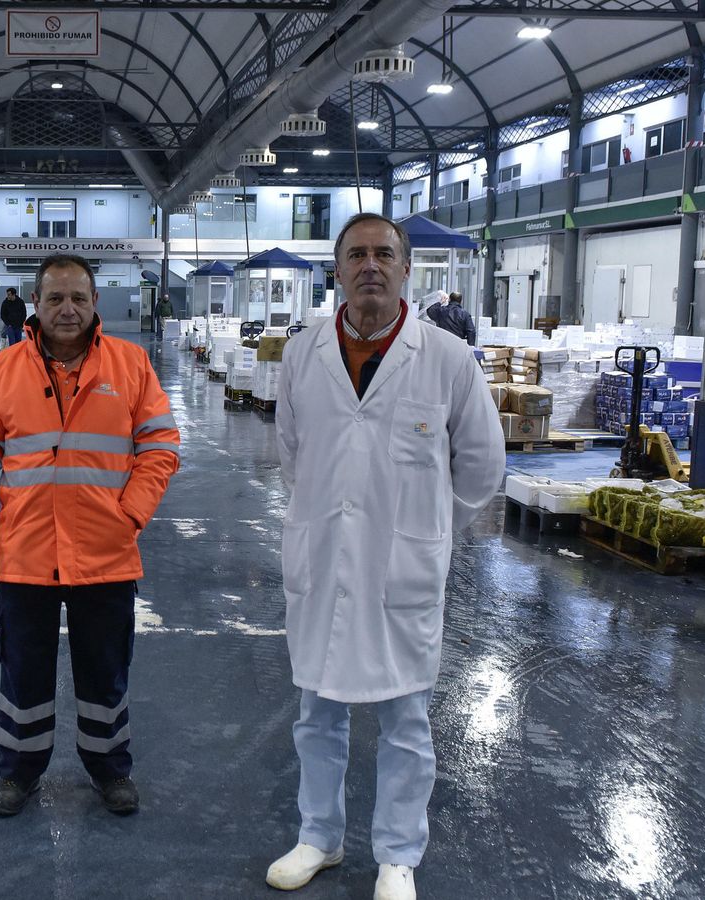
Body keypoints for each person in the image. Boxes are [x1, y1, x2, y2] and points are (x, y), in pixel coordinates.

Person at [267, 214, 504, 900]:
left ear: (405, 269)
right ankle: (319, 837)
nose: (370, 265)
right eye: (356, 255)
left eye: (383, 254)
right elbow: (292, 455)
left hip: (403, 570)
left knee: (405, 721)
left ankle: (398, 855)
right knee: (317, 714)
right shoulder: (303, 353)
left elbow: (481, 468)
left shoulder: (447, 359)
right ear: (337, 270)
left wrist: (425, 529)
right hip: (321, 561)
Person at [0, 253, 181, 819]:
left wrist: (130, 515)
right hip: (27, 551)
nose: (67, 308)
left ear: (95, 302)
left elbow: (160, 446)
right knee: (22, 671)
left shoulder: (131, 364)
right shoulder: (3, 371)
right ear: (35, 302)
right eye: (55, 298)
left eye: (78, 297)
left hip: (106, 551)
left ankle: (110, 768)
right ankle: (19, 771)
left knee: (105, 671)